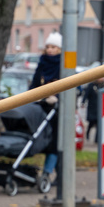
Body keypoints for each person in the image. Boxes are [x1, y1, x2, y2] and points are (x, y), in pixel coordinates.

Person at [30, 31, 62, 179]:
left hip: (57, 109)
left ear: (60, 49)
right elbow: (34, 83)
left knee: (55, 142)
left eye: (54, 47)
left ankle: (48, 173)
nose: (50, 50)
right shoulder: (42, 62)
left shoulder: (64, 64)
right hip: (41, 107)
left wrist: (57, 99)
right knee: (39, 139)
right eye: (48, 46)